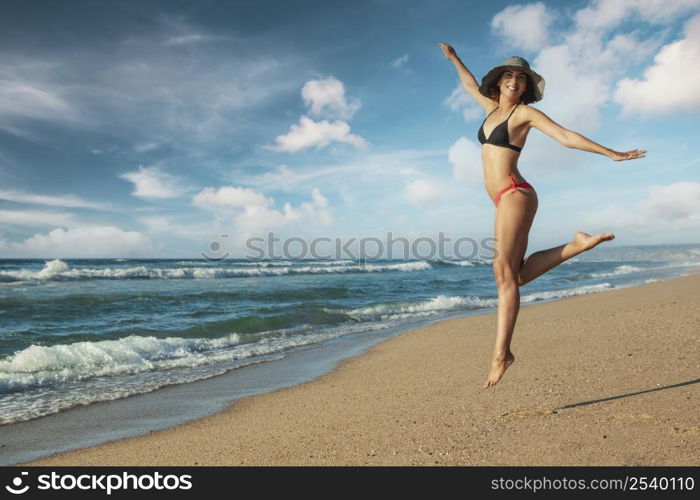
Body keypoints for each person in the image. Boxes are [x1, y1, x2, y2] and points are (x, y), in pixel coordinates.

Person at [438, 43, 646, 389]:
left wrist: (611, 153)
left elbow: (565, 137)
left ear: (526, 88)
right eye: (509, 75)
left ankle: (502, 353)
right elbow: (468, 85)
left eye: (521, 78)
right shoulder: (490, 110)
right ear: (498, 81)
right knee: (513, 277)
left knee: (502, 274)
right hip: (502, 199)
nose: (514, 81)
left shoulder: (523, 115)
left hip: (516, 194)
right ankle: (576, 246)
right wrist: (455, 58)